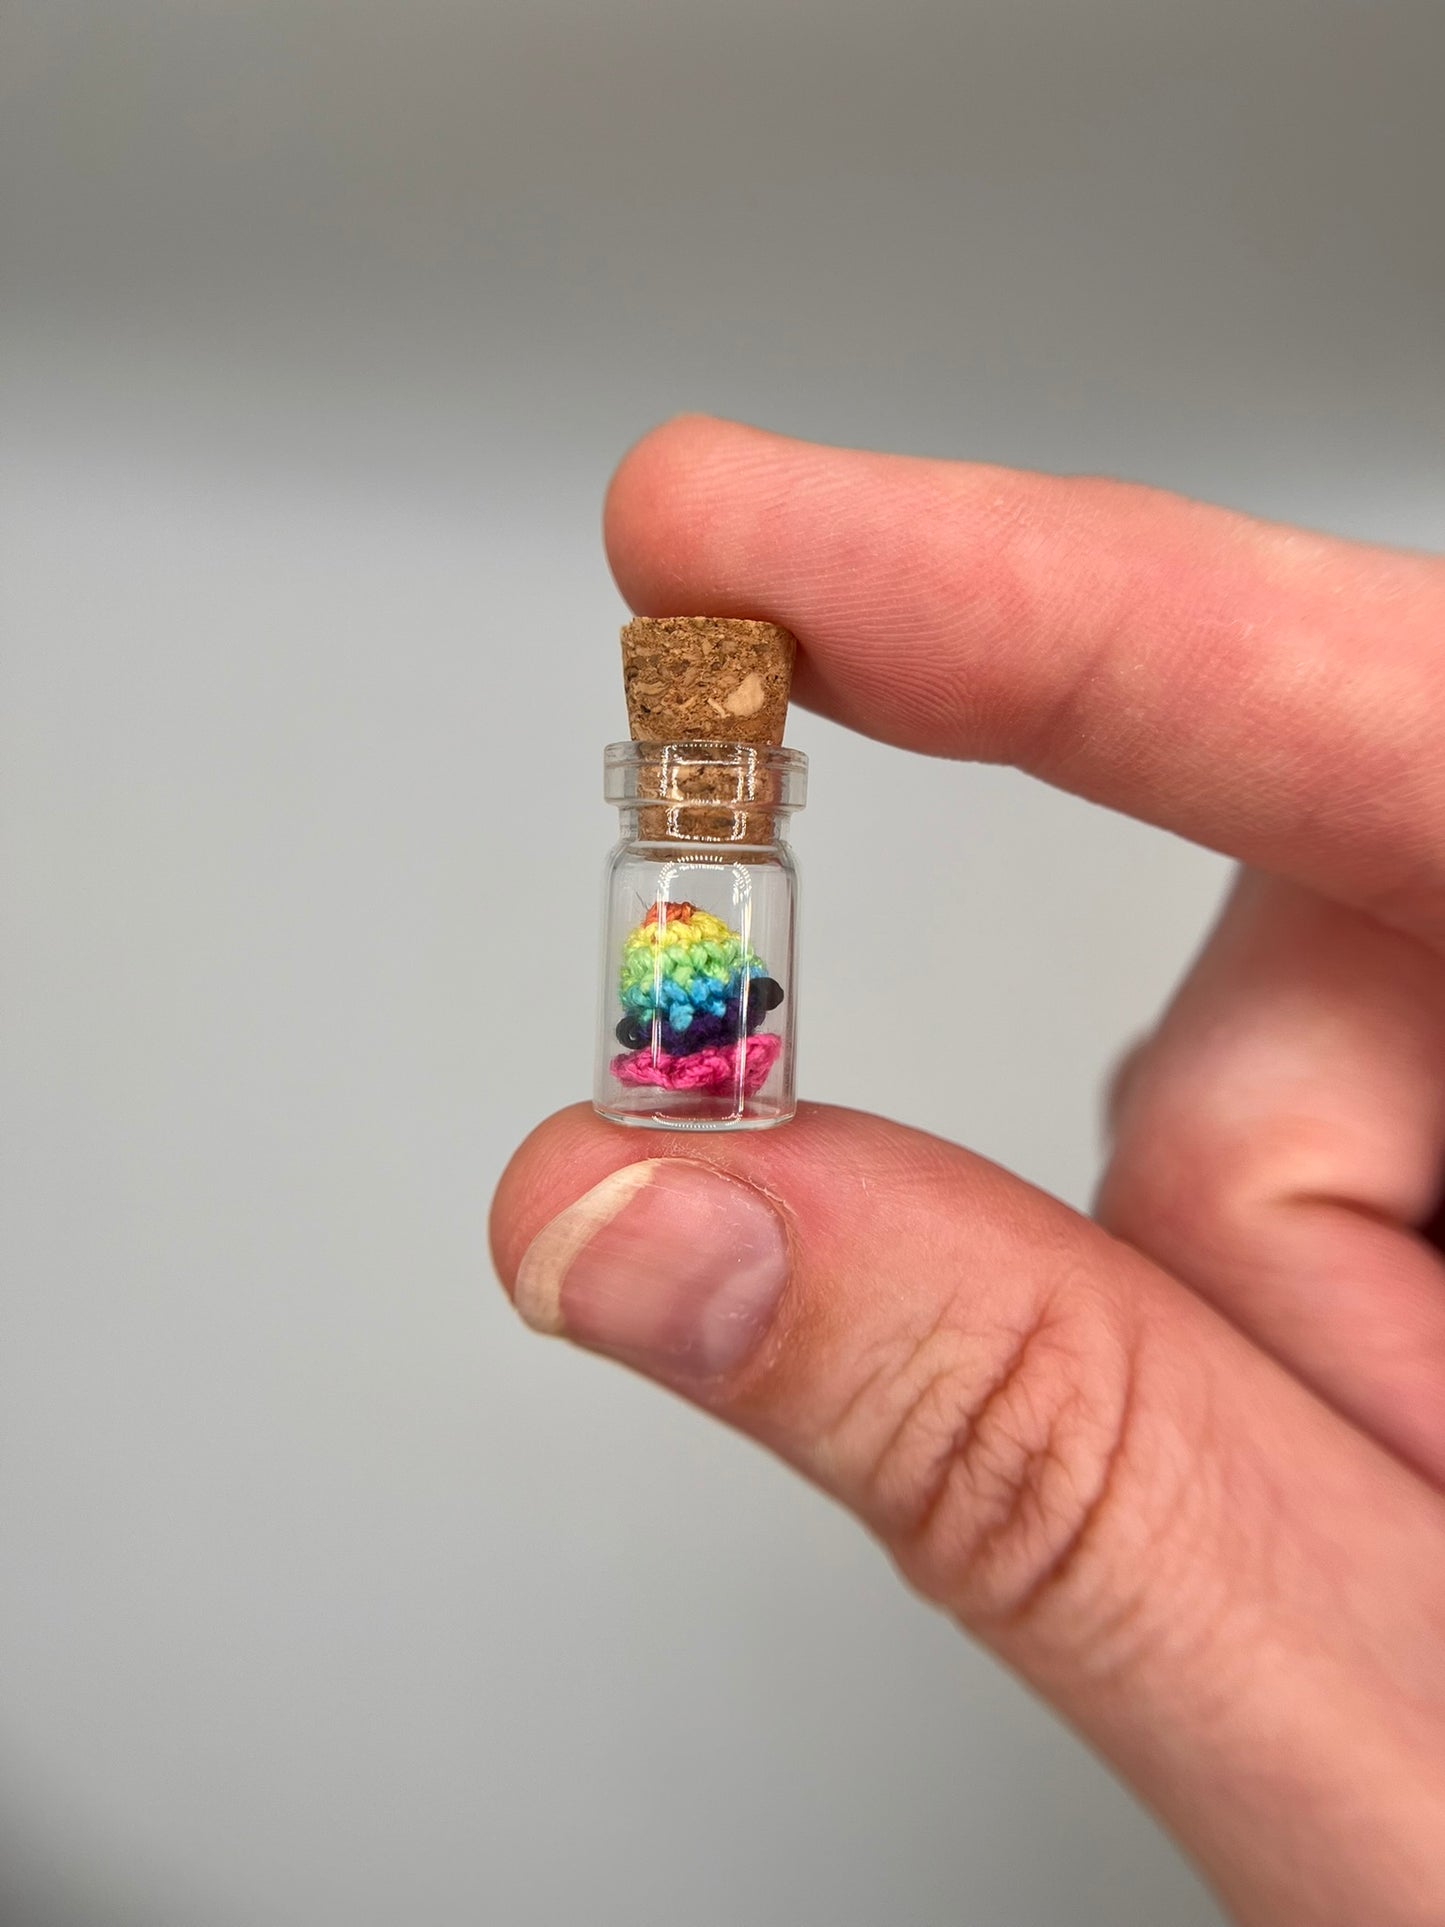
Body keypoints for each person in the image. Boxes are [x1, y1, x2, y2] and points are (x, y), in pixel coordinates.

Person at [490, 415, 1445, 1925]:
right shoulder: (675, 871)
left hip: (713, 1082)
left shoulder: (727, 875)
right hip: (701, 1074)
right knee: (691, 1036)